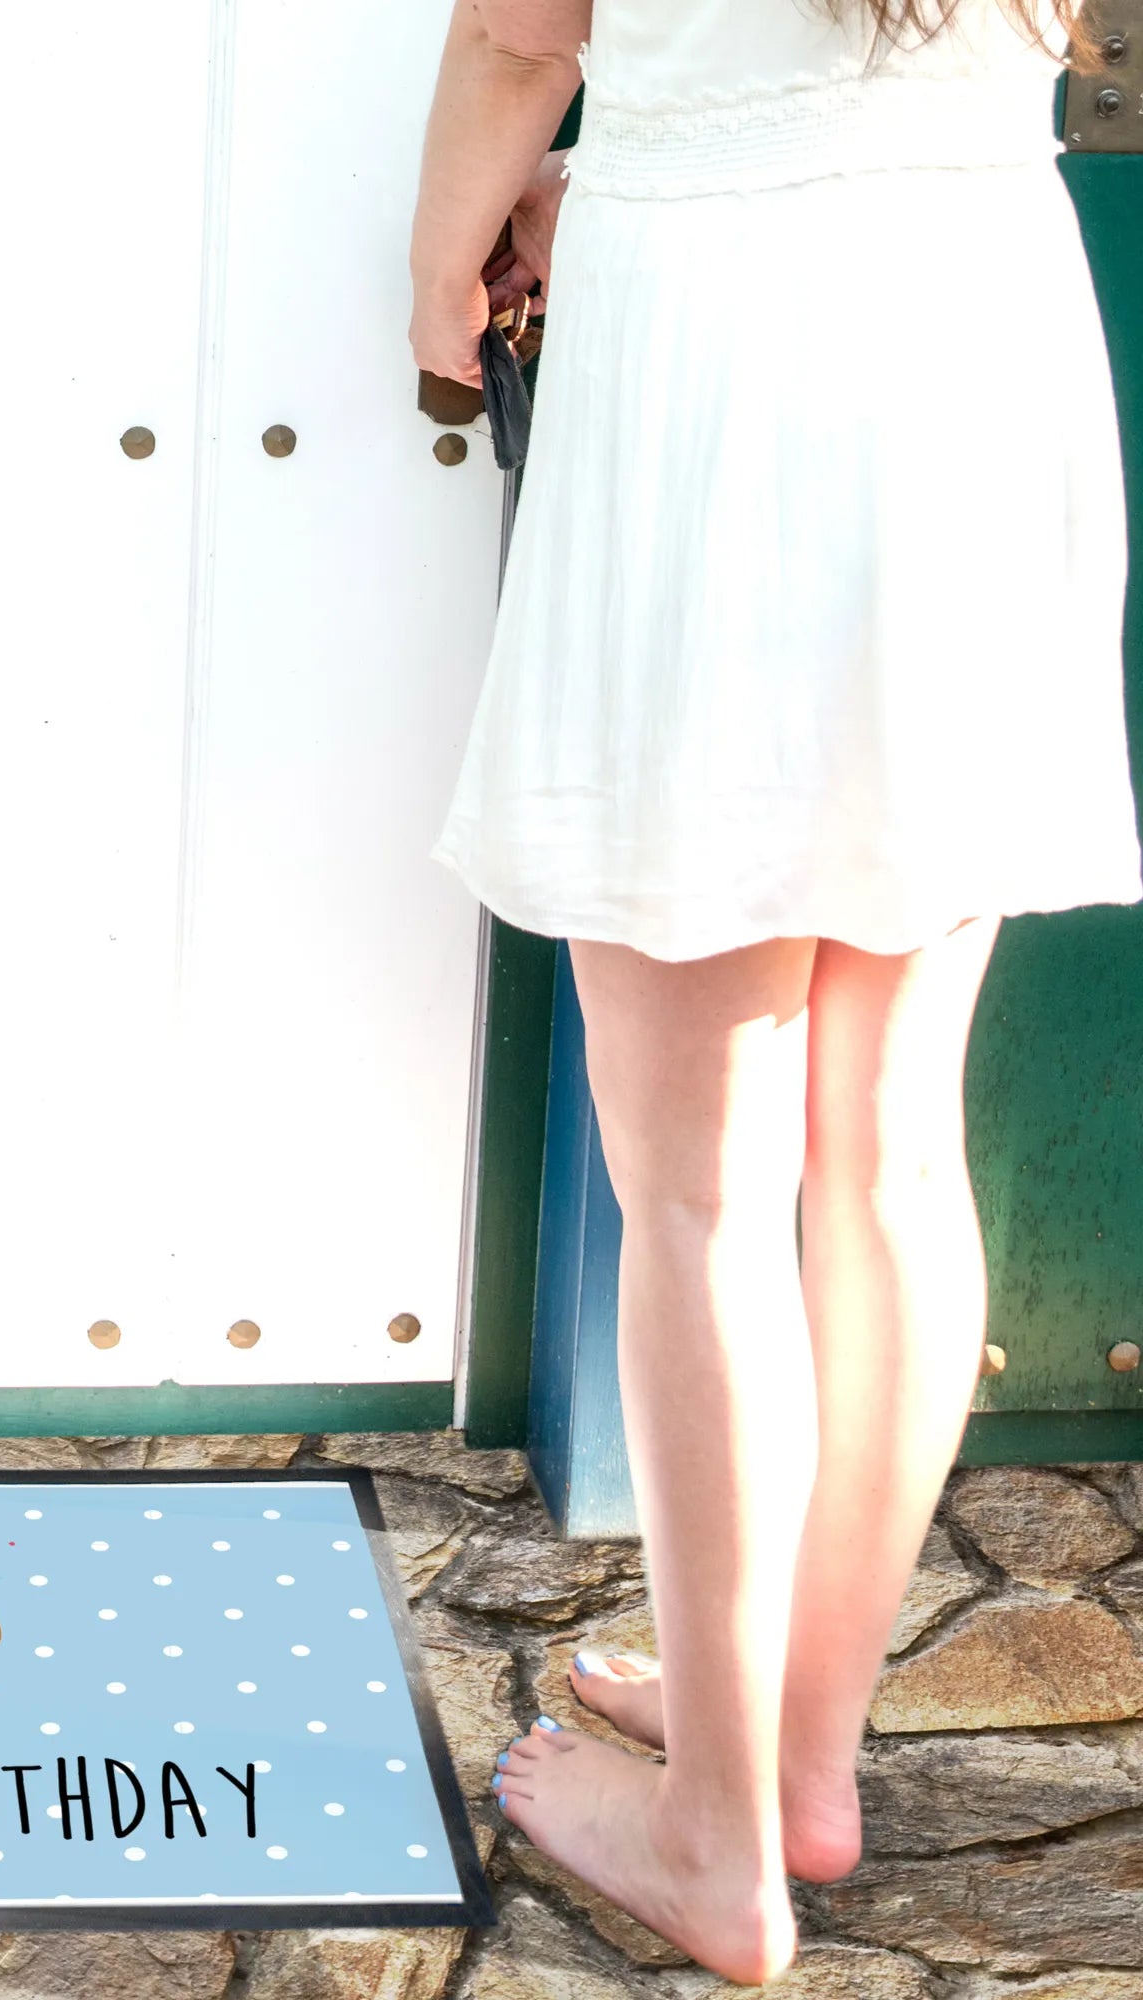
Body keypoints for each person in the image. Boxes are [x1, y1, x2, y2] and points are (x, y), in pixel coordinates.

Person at [409, 0, 1142, 1983]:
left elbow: (515, 40)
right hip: (978, 325)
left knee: (703, 1188)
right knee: (890, 1153)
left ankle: (715, 1840)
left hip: (726, 368)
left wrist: (441, 275)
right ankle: (803, 1754)